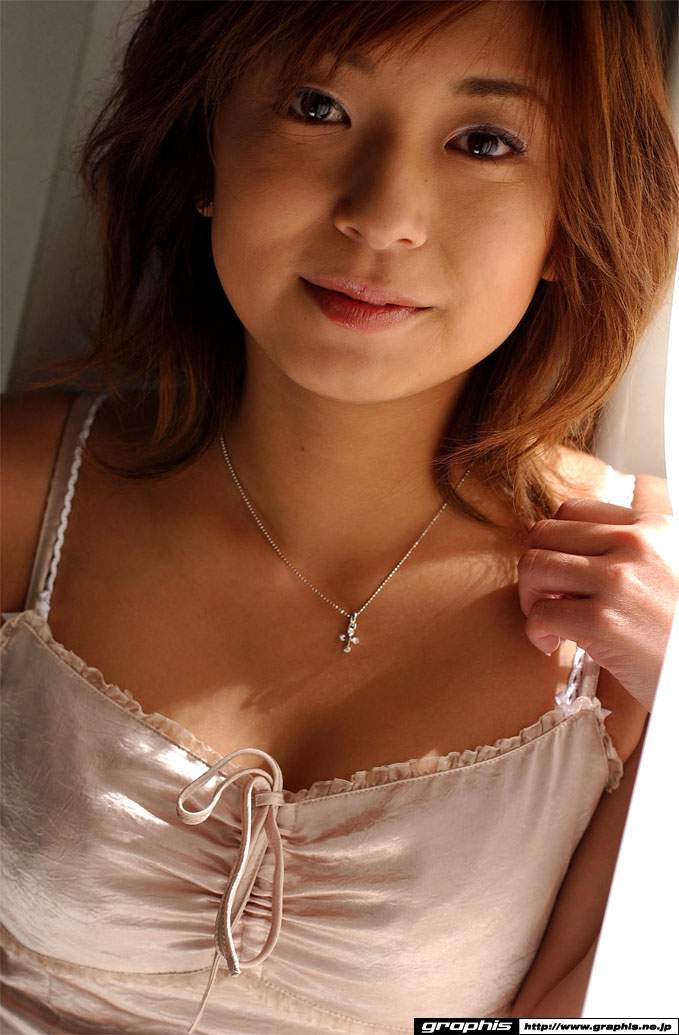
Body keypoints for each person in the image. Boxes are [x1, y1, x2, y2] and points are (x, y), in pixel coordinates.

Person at [1, 1, 677, 1032]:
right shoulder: (23, 498)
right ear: (204, 149)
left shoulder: (635, 617)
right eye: (318, 107)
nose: (383, 215)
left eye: (483, 142)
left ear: (568, 217)